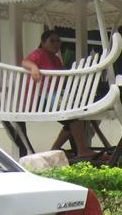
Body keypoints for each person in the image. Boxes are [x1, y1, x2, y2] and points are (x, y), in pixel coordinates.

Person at [22, 29, 96, 158]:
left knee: (75, 118)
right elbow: (25, 62)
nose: (56, 44)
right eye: (52, 41)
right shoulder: (39, 53)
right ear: (43, 43)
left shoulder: (56, 59)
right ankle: (82, 150)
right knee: (73, 114)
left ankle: (54, 150)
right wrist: (34, 67)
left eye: (58, 41)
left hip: (55, 95)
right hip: (41, 97)